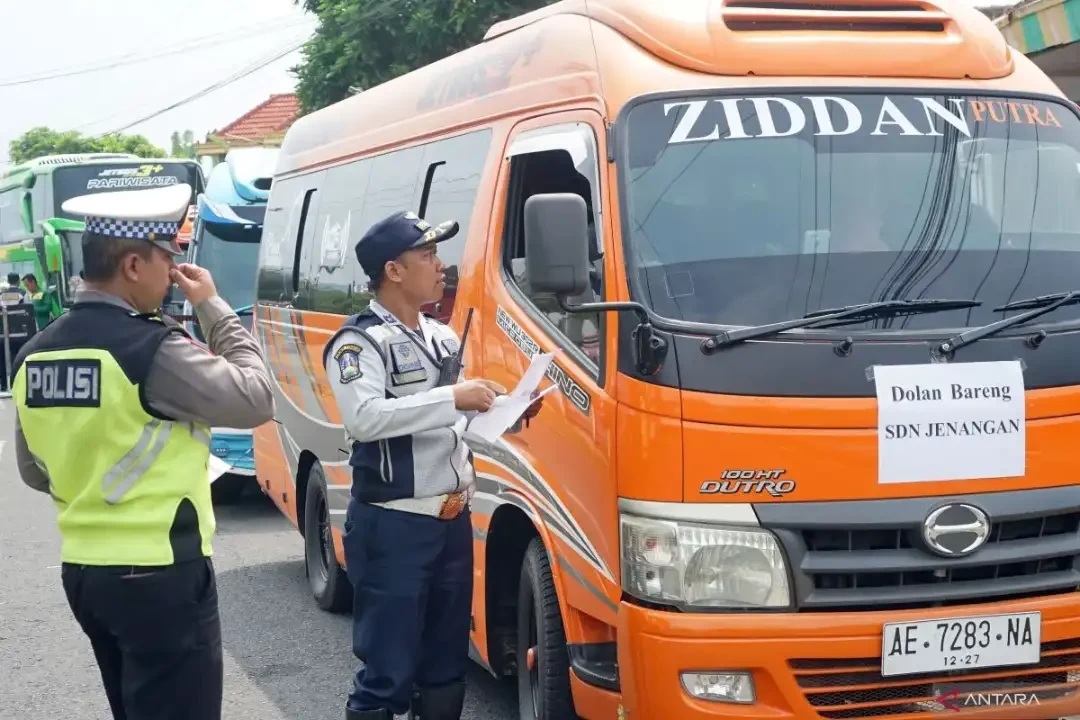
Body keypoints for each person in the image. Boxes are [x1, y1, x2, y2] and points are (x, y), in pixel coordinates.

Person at [10, 183, 276, 720]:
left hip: (86, 574)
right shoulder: (151, 348)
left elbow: (33, 470)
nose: (174, 273)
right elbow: (256, 397)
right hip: (159, 573)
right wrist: (214, 309)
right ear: (133, 264)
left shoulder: (34, 354)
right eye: (167, 259)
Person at [323, 210, 544, 720]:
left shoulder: (441, 336)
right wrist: (455, 397)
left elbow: (455, 425)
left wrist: (506, 409)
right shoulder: (359, 343)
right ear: (393, 271)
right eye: (427, 255)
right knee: (387, 670)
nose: (440, 265)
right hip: (393, 524)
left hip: (451, 522)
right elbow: (364, 418)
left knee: (446, 666)